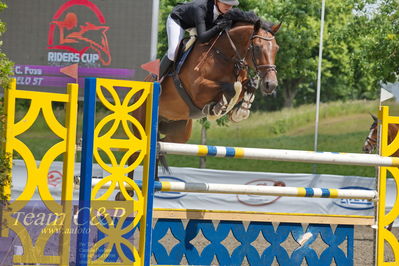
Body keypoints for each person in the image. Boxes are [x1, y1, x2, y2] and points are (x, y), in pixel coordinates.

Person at [159, 0, 239, 79]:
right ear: (216, 1)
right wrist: (219, 27)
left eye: (231, 5)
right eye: (226, 4)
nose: (229, 7)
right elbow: (202, 38)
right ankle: (157, 76)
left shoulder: (225, 11)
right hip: (178, 20)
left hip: (197, 22)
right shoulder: (200, 8)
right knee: (173, 53)